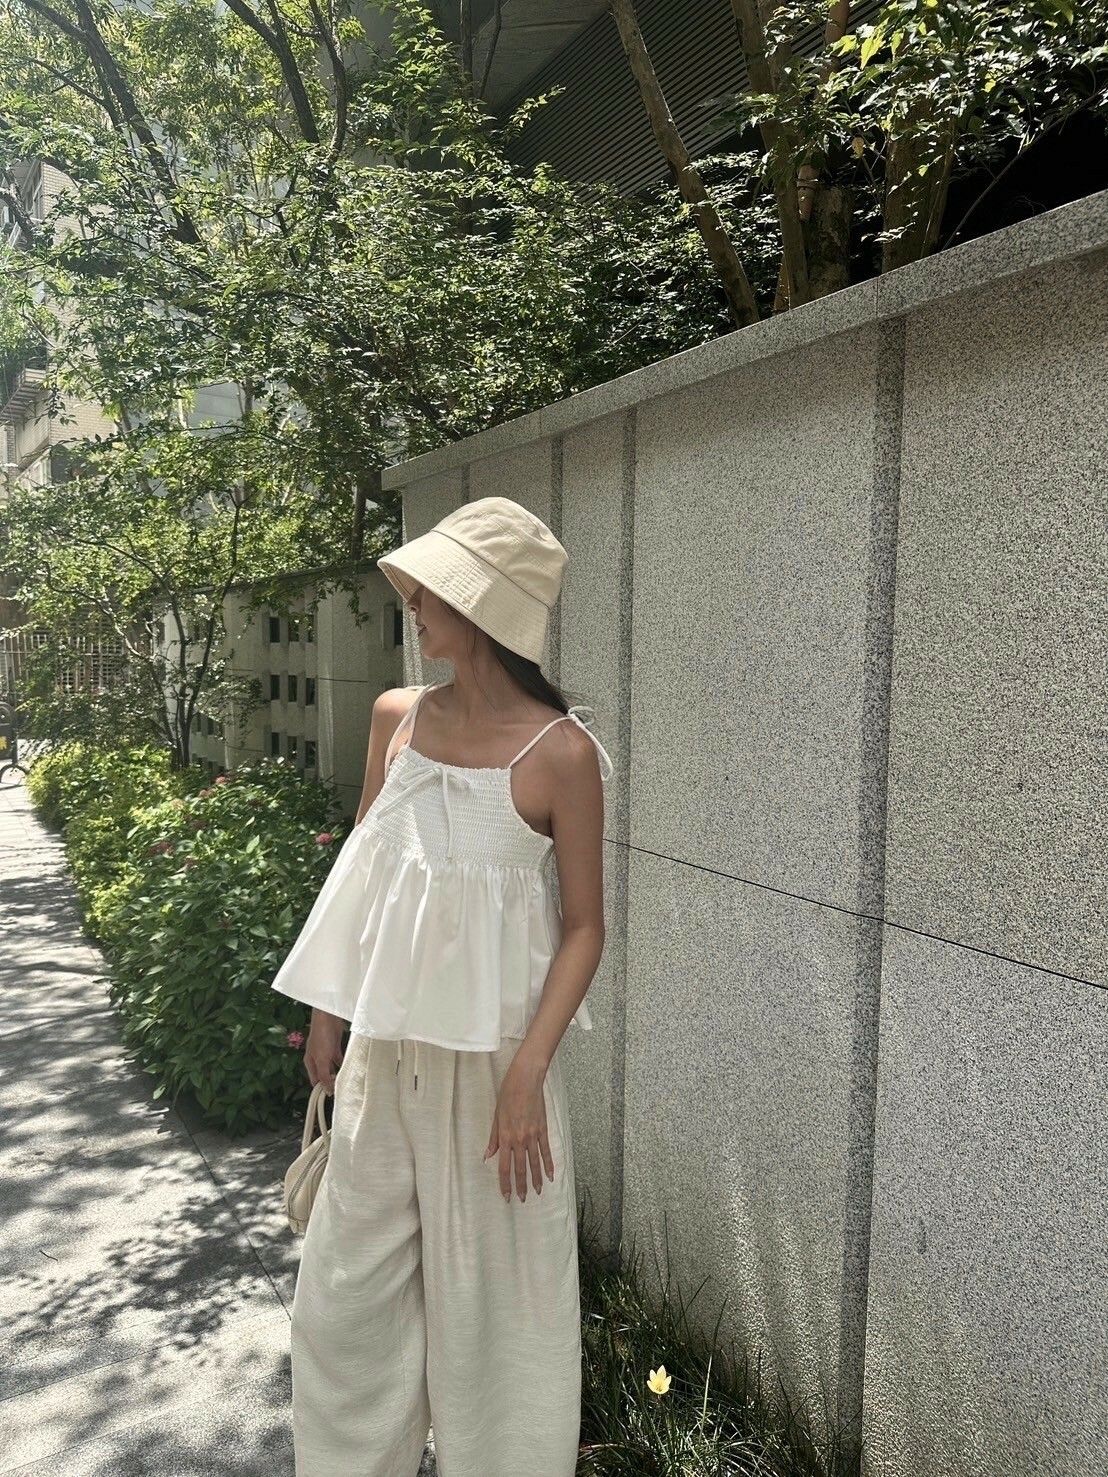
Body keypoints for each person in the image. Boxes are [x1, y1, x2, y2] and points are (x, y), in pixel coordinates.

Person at [269, 495, 615, 1477]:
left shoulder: (562, 754)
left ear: (483, 607)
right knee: (344, 1303)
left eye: (431, 590)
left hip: (500, 1079)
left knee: (500, 1314)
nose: (412, 603)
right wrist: (327, 1012)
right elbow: (361, 873)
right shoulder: (398, 719)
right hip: (385, 1059)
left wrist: (528, 1073)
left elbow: (586, 927)